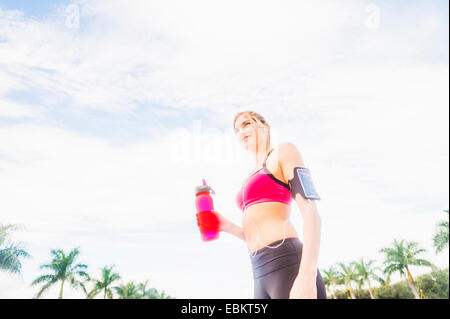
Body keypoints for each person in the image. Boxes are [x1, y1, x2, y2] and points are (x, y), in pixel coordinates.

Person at [214, 111, 326, 299]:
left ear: (264, 126)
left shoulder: (283, 152)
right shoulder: (247, 178)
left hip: (287, 264)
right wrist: (225, 225)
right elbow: (254, 235)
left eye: (247, 124)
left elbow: (311, 213)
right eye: (236, 130)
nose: (241, 132)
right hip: (259, 272)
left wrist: (307, 276)